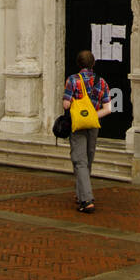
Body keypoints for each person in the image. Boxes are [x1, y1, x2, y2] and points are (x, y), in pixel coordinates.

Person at [62, 49, 111, 213]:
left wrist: (79, 112)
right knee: (88, 159)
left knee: (79, 160)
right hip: (93, 124)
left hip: (78, 125)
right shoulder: (102, 82)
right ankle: (81, 193)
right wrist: (92, 116)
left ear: (78, 64)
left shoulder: (73, 80)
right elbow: (108, 108)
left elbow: (66, 104)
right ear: (93, 64)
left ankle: (86, 199)